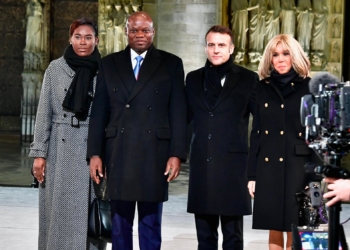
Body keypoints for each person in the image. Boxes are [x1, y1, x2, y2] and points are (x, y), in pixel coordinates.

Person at [86, 11, 187, 250]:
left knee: (150, 223)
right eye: (135, 30)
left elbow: (179, 113)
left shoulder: (171, 63)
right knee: (119, 224)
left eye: (145, 30)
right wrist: (95, 154)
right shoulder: (109, 63)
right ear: (126, 32)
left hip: (156, 153)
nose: (140, 35)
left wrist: (177, 154)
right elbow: (99, 112)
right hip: (118, 151)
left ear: (153, 32)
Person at [29, 17, 106, 250]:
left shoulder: (105, 70)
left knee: (90, 214)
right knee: (57, 211)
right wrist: (39, 153)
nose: (83, 42)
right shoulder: (55, 68)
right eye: (78, 37)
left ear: (97, 40)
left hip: (91, 150)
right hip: (59, 151)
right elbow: (44, 112)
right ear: (70, 39)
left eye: (88, 37)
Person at [186, 25, 258, 250]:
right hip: (202, 165)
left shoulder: (248, 78)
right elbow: (183, 119)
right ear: (206, 48)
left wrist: (256, 171)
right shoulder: (193, 78)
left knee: (233, 237)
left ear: (231, 48)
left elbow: (261, 124)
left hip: (234, 168)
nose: (216, 50)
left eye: (221, 45)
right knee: (205, 238)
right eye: (211, 45)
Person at [247, 34, 317, 250]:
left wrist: (315, 177)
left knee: (297, 230)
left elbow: (316, 136)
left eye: (286, 53)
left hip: (299, 168)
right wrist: (252, 175)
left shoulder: (310, 88)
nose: (280, 59)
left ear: (295, 56)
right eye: (275, 54)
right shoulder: (261, 88)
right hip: (269, 168)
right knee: (273, 226)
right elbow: (256, 133)